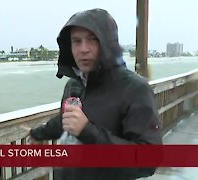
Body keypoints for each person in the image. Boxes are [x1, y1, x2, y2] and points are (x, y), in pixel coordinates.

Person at [22, 8, 162, 180]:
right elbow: (65, 120)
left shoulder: (135, 89)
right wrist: (38, 133)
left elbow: (148, 161)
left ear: (108, 43)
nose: (83, 49)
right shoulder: (74, 84)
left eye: (92, 40)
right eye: (76, 41)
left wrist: (87, 131)